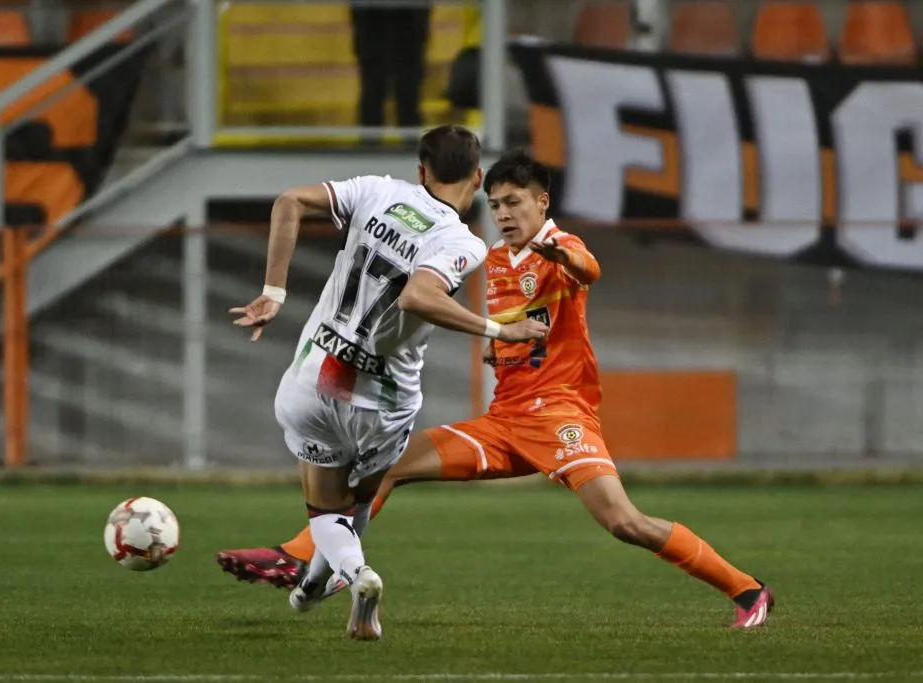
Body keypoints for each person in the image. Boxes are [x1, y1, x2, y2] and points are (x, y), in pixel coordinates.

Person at [219, 150, 775, 630]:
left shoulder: (558, 246)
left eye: (515, 202)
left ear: (542, 203)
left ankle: (748, 591)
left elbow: (588, 270)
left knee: (624, 523)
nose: (504, 213)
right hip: (505, 421)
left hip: (559, 418)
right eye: (497, 204)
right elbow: (521, 327)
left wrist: (563, 256)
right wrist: (498, 348)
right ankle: (310, 561)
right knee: (385, 468)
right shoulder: (496, 260)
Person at [228, 128, 549, 640]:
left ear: (421, 171)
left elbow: (289, 201)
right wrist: (498, 329)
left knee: (325, 509)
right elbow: (418, 296)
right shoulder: (463, 242)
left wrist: (274, 291)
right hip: (383, 400)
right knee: (358, 503)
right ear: (477, 178)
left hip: (317, 376)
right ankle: (333, 581)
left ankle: (343, 578)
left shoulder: (375, 190)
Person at [350, 0, 432, 129]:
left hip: (408, 28)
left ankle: (410, 137)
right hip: (373, 27)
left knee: (408, 98)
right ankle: (370, 138)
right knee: (373, 96)